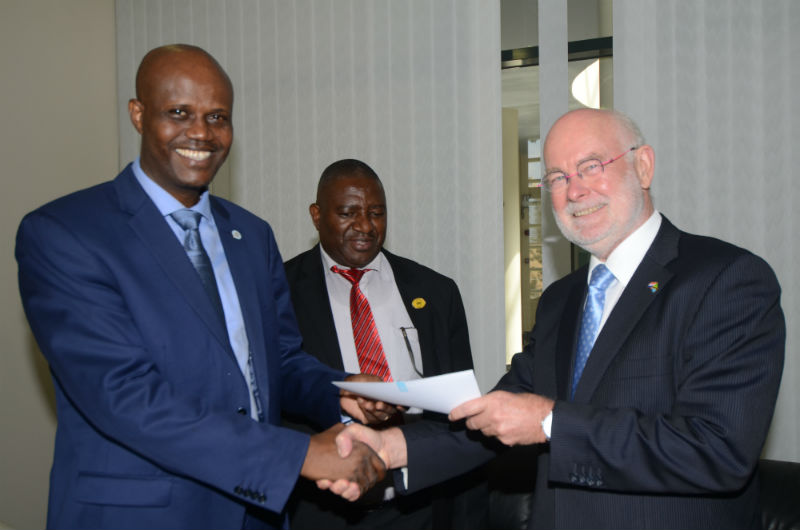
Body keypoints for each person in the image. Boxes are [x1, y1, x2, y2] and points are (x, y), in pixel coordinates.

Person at [330, 108, 786, 529]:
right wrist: (392, 448)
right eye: (557, 177)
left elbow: (718, 450)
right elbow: (498, 416)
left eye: (591, 166)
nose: (575, 190)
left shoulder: (726, 280)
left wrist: (551, 422)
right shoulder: (559, 300)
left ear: (643, 166)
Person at [15, 44, 389, 530]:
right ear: (138, 114)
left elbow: (279, 359)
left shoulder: (251, 235)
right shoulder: (66, 233)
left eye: (217, 117)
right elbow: (125, 396)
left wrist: (337, 391)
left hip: (256, 511)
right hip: (138, 516)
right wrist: (297, 456)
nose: (201, 133)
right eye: (178, 113)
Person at [283, 158, 487, 529]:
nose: (365, 226)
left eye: (376, 212)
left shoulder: (436, 293)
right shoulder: (278, 291)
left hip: (418, 507)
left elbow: (461, 416)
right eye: (348, 212)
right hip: (319, 512)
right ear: (316, 215)